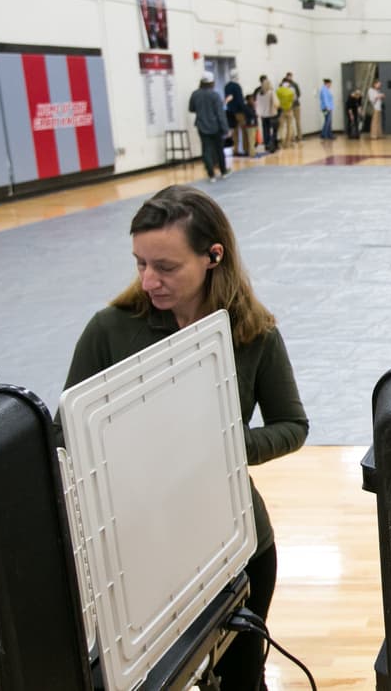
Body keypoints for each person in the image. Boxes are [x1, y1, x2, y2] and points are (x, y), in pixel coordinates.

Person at [61, 184, 310, 691]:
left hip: (238, 549)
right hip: (141, 561)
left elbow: (293, 427)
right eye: (140, 264)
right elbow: (67, 439)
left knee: (241, 678)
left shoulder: (254, 334)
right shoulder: (108, 330)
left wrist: (224, 448)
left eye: (166, 267)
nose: (149, 280)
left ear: (213, 256)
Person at [190, 73, 229, 182]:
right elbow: (220, 114)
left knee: (206, 150)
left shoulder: (195, 94)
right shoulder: (214, 95)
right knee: (219, 150)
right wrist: (225, 128)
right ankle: (223, 171)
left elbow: (191, 108)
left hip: (201, 126)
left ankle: (211, 174)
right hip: (215, 127)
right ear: (212, 83)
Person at [224, 72, 250, 156]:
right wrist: (246, 110)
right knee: (244, 130)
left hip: (230, 112)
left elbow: (228, 99)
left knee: (234, 132)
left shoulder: (226, 86)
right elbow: (239, 101)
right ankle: (246, 149)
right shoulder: (237, 86)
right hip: (239, 112)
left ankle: (235, 150)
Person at [254, 75, 277, 153]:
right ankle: (272, 146)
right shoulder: (271, 92)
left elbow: (256, 103)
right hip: (271, 114)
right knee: (273, 131)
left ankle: (266, 145)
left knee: (265, 131)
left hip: (263, 115)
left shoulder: (258, 93)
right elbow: (276, 103)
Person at [284, 72, 302, 145]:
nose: (289, 78)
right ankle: (292, 137)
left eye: (290, 77)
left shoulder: (295, 84)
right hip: (289, 106)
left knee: (297, 121)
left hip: (296, 105)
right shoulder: (283, 85)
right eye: (288, 77)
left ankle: (299, 136)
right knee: (290, 123)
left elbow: (299, 94)